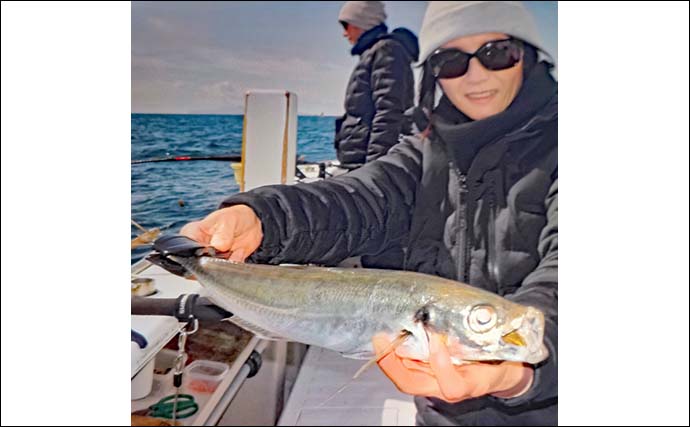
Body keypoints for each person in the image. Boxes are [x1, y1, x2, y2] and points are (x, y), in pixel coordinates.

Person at [181, 1, 557, 425]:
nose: (476, 75)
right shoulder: (426, 151)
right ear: (433, 74)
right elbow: (358, 199)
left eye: (496, 53)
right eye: (451, 61)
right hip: (440, 413)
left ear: (526, 54)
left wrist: (522, 373)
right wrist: (261, 217)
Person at [334, 1, 419, 168]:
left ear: (361, 22)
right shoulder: (374, 52)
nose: (344, 33)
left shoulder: (387, 50)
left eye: (346, 25)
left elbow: (389, 111)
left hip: (367, 164)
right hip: (359, 160)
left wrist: (375, 167)